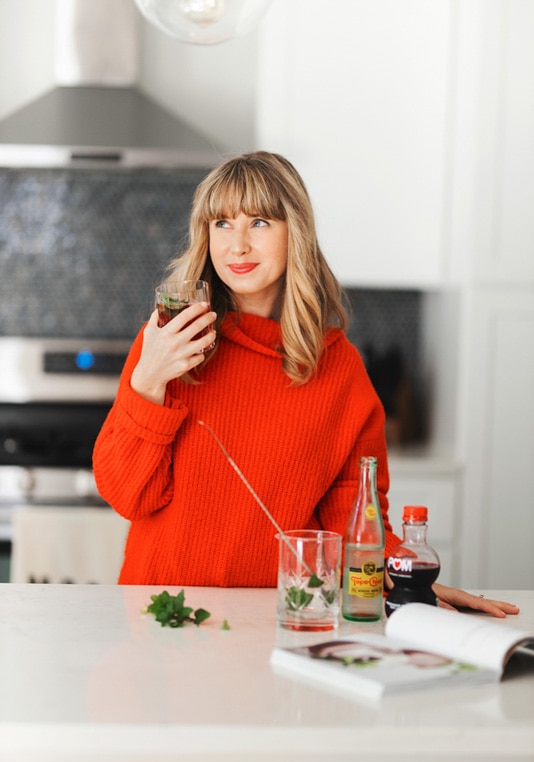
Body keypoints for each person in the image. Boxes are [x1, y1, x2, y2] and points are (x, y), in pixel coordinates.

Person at [93, 151, 518, 619]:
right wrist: (148, 379)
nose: (237, 246)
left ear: (295, 231)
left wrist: (408, 580)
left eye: (259, 223)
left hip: (278, 622)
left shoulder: (339, 369)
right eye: (221, 224)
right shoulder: (171, 341)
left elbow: (355, 517)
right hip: (160, 616)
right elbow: (125, 495)